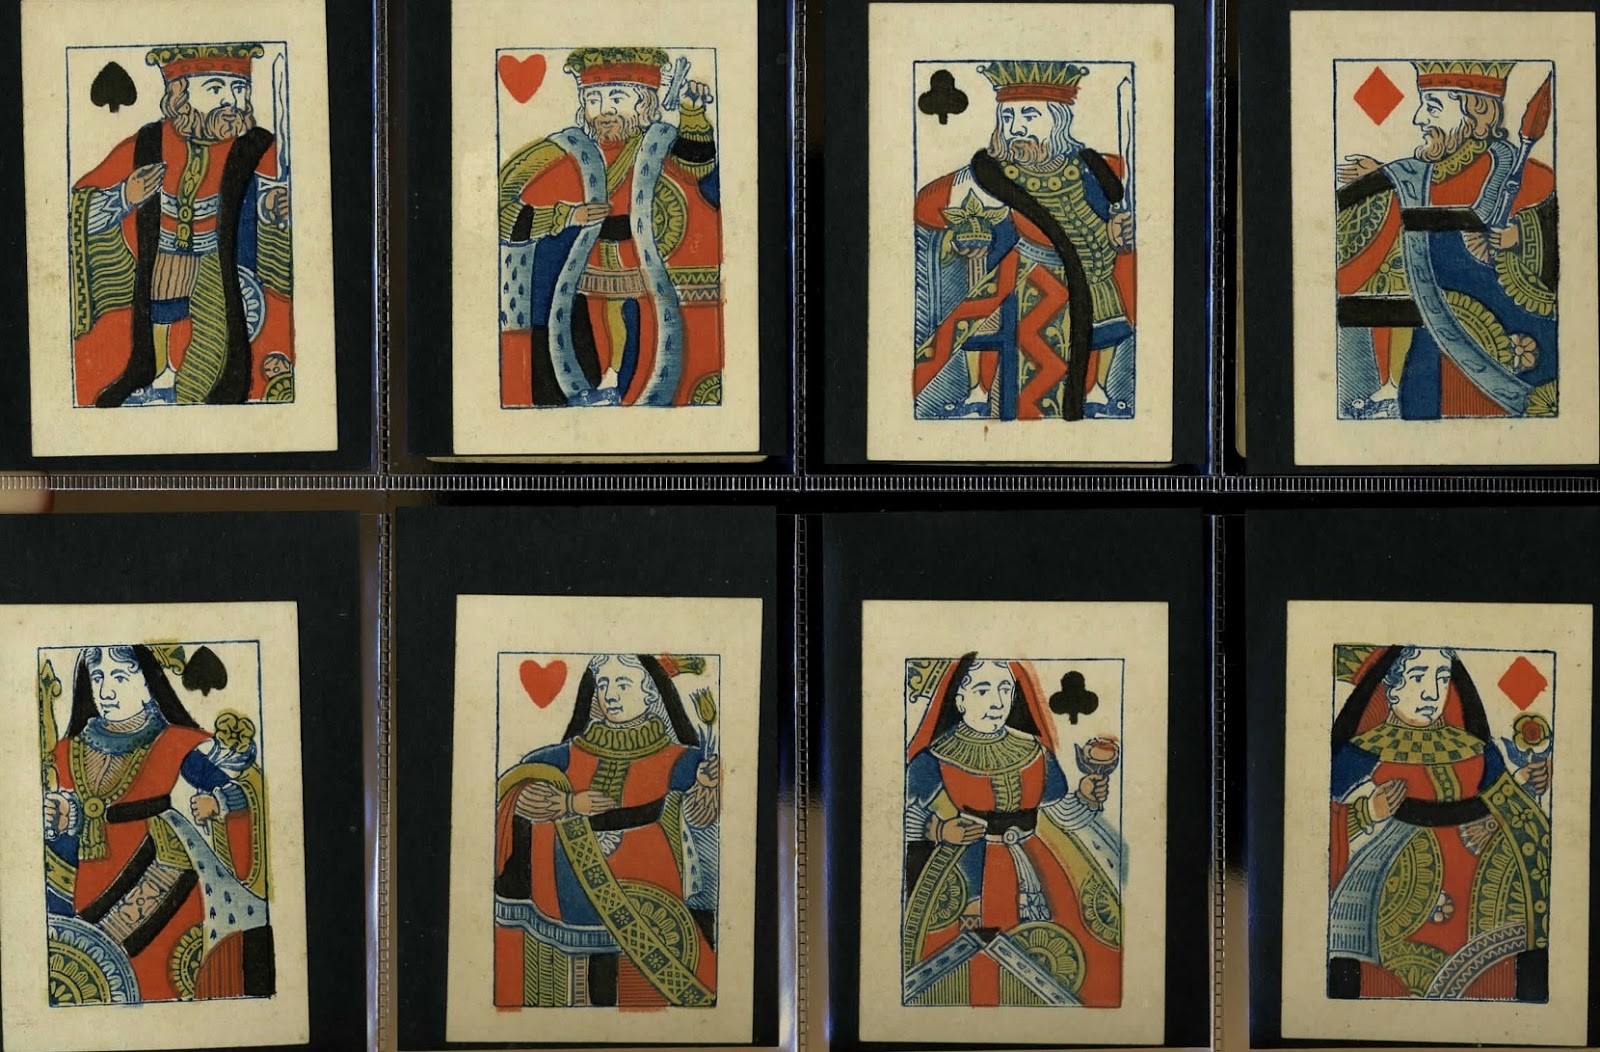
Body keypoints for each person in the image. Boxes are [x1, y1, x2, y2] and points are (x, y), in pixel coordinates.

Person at [41, 644, 272, 1003]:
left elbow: (238, 792)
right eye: (98, 678)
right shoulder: (65, 750)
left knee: (157, 982)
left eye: (120, 677)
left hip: (162, 869)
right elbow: (63, 813)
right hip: (84, 876)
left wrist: (217, 803)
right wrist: (60, 817)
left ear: (149, 684)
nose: (106, 692)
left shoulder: (175, 742)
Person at [497, 48, 724, 408]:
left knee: (643, 338)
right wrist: (565, 216)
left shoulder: (658, 142)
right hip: (585, 264)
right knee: (591, 331)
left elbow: (695, 165)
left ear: (644, 103)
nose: (604, 110)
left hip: (642, 265)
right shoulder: (567, 149)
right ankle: (601, 387)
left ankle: (625, 390)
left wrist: (693, 114)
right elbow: (501, 205)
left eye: (617, 99)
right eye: (593, 100)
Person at [70, 43, 292, 408]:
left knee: (213, 349)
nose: (231, 101)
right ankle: (154, 372)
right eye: (216, 89)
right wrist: (125, 195)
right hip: (164, 260)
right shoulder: (147, 143)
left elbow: (277, 196)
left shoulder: (257, 145)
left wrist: (274, 207)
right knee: (157, 309)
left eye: (239, 89)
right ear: (180, 94)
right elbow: (76, 209)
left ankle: (195, 393)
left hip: (220, 265)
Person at [494, 654, 720, 1007]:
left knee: (640, 983)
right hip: (574, 877)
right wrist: (568, 803)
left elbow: (700, 815)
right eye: (603, 684)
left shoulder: (679, 757)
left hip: (647, 871)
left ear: (650, 695)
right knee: (586, 981)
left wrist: (707, 784)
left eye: (623, 684)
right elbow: (516, 783)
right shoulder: (569, 753)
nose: (610, 694)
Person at [913, 62, 1136, 421]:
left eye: (1029, 116)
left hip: (1092, 277)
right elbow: (928, 205)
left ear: (1058, 121)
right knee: (986, 327)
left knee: (1105, 325)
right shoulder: (988, 174)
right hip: (1023, 282)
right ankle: (979, 392)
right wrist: (966, 233)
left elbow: (1108, 214)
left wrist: (1117, 232)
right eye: (1008, 117)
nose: (1016, 128)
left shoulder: (1090, 167)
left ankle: (1096, 389)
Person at [1328, 646, 1552, 1000]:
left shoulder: (1475, 748)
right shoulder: (1362, 752)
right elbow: (1318, 823)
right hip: (1398, 898)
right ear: (1391, 686)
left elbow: (1503, 797)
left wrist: (1528, 781)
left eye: (1442, 678)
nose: (1432, 693)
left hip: (1485, 899)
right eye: (1418, 677)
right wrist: (1368, 812)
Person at [1336, 62, 1557, 419]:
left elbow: (1568, 246)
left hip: (1508, 373)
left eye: (1433, 107)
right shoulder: (1408, 180)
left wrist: (1518, 236)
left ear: (1477, 114)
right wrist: (1379, 183)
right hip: (1423, 377)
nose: (1420, 119)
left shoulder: (1533, 178)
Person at [902, 655, 1122, 1007]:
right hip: (968, 871)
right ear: (959, 699)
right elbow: (898, 819)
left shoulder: (1035, 752)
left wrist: (1085, 797)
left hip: (1041, 870)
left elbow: (1059, 814)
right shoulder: (933, 759)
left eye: (1005, 689)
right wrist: (938, 829)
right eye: (983, 690)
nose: (996, 702)